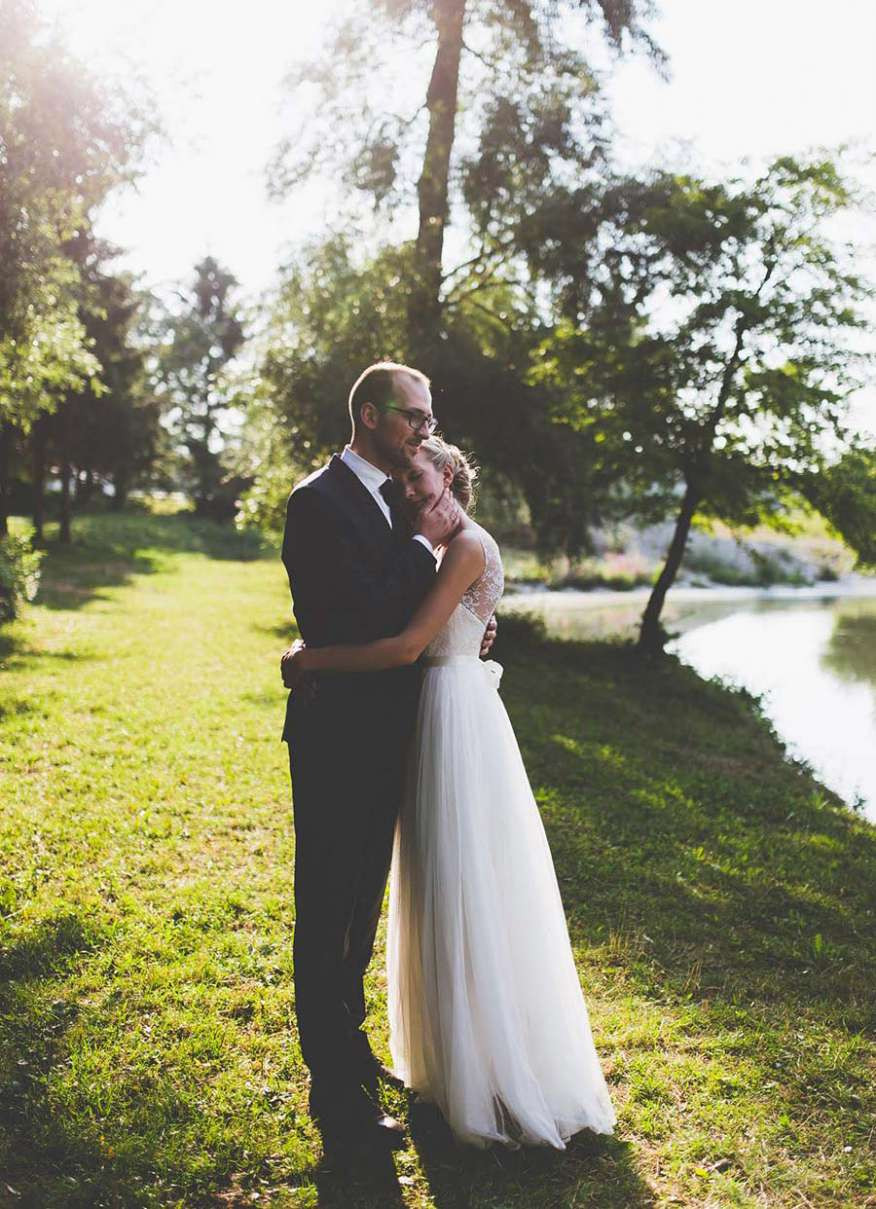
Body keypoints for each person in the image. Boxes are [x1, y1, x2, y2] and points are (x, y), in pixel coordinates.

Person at [283, 435, 617, 1149]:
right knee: (436, 880)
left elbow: (408, 645)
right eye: (408, 493)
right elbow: (414, 619)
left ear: (452, 482)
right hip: (433, 715)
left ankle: (486, 1065)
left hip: (457, 720)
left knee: (465, 881)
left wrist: (311, 659)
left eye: (426, 490)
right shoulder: (434, 549)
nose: (415, 502)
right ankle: (441, 1056)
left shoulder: (463, 545)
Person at [279, 362, 496, 1152]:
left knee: (361, 912)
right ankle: (333, 1095)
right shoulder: (318, 501)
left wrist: (460, 623)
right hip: (337, 738)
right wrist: (419, 550)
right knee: (327, 909)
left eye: (430, 417)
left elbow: (406, 613)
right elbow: (356, 613)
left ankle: (352, 1047)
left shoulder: (402, 499)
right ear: (369, 415)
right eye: (414, 415)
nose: (425, 430)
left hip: (394, 737)